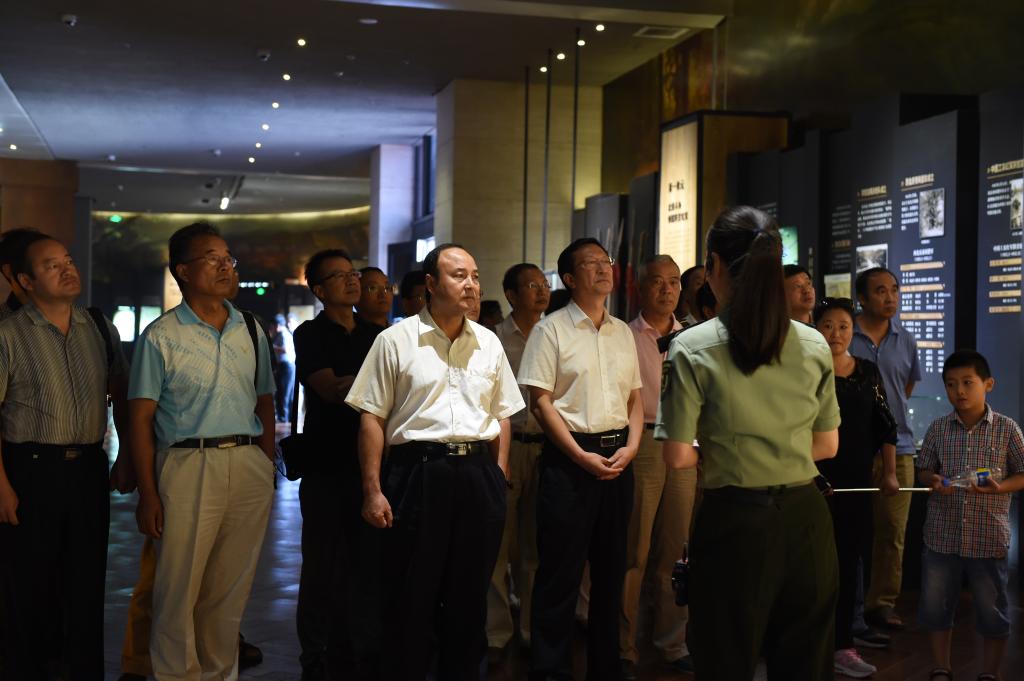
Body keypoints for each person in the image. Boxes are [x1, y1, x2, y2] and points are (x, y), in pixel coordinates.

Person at [659, 206, 840, 680]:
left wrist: (722, 449)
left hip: (734, 522)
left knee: (725, 660)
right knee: (806, 665)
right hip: (807, 520)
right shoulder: (813, 343)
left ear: (714, 265)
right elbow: (827, 446)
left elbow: (677, 455)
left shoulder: (691, 346)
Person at [345, 243, 522, 681]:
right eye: (459, 275)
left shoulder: (488, 342)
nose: (471, 285)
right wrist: (372, 489)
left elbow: (502, 414)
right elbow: (372, 417)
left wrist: (499, 472)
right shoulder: (395, 340)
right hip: (418, 472)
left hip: (478, 474)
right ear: (430, 284)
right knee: (411, 596)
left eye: (475, 276)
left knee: (470, 598)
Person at [129, 222, 276, 681]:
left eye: (228, 257)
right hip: (187, 463)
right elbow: (140, 418)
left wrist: (265, 461)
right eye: (212, 259)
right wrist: (148, 493)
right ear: (183, 271)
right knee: (178, 590)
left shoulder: (249, 328)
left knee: (228, 591)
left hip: (246, 462)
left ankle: (220, 674)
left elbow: (265, 400)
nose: (225, 266)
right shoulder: (161, 335)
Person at [0, 232, 130, 680]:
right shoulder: (8, 334)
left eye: (68, 260)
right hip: (30, 469)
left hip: (89, 466)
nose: (67, 269)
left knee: (87, 582)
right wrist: (2, 486)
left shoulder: (98, 326)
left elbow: (121, 392)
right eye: (51, 265)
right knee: (29, 586)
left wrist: (126, 456)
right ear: (24, 280)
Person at [519, 237, 643, 681]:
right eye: (591, 263)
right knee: (560, 574)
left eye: (605, 260)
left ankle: (605, 667)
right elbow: (540, 402)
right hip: (570, 460)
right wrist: (579, 454)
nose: (603, 268)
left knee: (611, 573)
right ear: (570, 279)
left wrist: (632, 446)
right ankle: (550, 670)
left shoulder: (622, 331)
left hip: (619, 457)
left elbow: (635, 400)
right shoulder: (550, 330)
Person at [294, 250, 385, 681]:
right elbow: (329, 389)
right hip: (326, 462)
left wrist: (358, 384)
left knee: (366, 563)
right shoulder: (310, 333)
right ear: (319, 289)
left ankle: (357, 648)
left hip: (372, 466)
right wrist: (373, 386)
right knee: (322, 563)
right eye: (340, 276)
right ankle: (315, 652)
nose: (353, 281)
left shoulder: (376, 334)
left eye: (354, 274)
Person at [916, 350, 1024, 681]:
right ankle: (941, 668)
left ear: (988, 384)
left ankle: (990, 672)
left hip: (987, 537)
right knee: (936, 608)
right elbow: (924, 470)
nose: (959, 391)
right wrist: (933, 479)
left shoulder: (1007, 429)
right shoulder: (938, 429)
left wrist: (1000, 488)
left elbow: (1022, 474)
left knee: (992, 611)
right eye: (951, 384)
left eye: (967, 382)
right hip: (941, 536)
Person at [813, 297, 899, 678]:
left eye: (844, 326)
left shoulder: (867, 371)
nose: (836, 333)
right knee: (813, 565)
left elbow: (886, 425)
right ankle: (809, 643)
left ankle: (843, 645)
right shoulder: (807, 369)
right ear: (815, 329)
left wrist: (890, 473)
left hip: (857, 482)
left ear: (854, 331)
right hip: (813, 479)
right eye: (828, 325)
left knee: (849, 563)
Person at [620, 255, 696, 678]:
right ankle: (624, 645)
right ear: (640, 287)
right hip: (643, 440)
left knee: (675, 549)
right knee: (636, 550)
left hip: (684, 441)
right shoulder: (624, 335)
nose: (667, 290)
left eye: (674, 281)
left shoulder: (693, 336)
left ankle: (672, 642)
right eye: (657, 282)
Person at [850, 266, 921, 631]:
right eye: (880, 291)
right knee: (853, 528)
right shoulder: (845, 334)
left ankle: (881, 603)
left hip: (900, 446)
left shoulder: (906, 340)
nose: (890, 297)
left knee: (893, 530)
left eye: (894, 289)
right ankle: (849, 605)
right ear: (862, 298)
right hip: (853, 448)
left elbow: (904, 388)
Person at [486, 263, 550, 659]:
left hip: (548, 447)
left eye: (544, 284)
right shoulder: (494, 338)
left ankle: (530, 629)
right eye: (531, 285)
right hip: (507, 448)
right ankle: (496, 633)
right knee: (498, 545)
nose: (541, 291)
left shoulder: (554, 334)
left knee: (535, 547)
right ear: (511, 295)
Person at [272, 313, 297, 423]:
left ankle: (284, 418)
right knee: (283, 392)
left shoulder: (283, 334)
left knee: (284, 392)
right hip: (285, 366)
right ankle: (284, 417)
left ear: (277, 325)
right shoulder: (282, 334)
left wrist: (272, 347)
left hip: (287, 366)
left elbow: (285, 349)